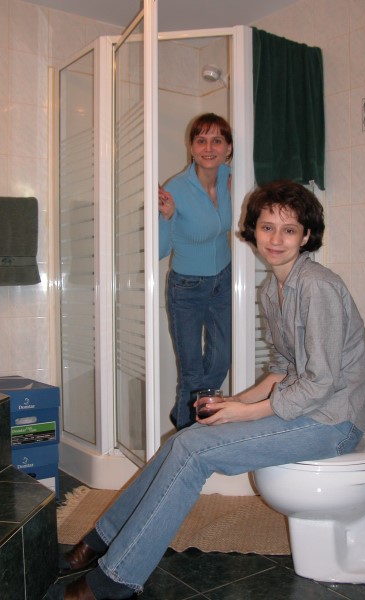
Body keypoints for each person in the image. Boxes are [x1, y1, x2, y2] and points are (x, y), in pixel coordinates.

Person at [46, 180, 365, 600]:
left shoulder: (316, 286)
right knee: (183, 439)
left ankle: (115, 580)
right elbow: (282, 369)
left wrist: (246, 412)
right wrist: (232, 401)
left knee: (194, 451)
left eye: (289, 230)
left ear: (306, 236)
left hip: (333, 422)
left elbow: (320, 381)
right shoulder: (272, 290)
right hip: (308, 410)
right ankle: (100, 540)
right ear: (253, 230)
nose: (276, 239)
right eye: (267, 227)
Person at [158, 113, 233, 430]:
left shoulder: (230, 177)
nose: (209, 148)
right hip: (186, 287)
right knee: (191, 371)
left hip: (224, 280)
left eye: (217, 140)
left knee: (221, 360)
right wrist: (166, 217)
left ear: (228, 148)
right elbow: (159, 250)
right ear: (191, 147)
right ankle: (188, 431)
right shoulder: (175, 188)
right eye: (201, 140)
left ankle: (186, 415)